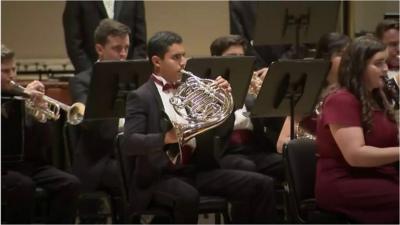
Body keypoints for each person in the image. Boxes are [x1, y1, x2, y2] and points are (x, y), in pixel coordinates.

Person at [123, 31, 277, 223]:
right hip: (160, 176)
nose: (183, 62)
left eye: (184, 55)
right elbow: (129, 142)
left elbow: (220, 132)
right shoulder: (141, 97)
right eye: (176, 57)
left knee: (262, 184)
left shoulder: (193, 88)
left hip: (197, 169)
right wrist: (166, 138)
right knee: (187, 196)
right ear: (157, 61)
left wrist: (225, 103)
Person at [315, 36, 399, 223]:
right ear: (359, 67)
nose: (386, 69)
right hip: (345, 182)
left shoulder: (376, 97)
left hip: (379, 175)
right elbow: (356, 155)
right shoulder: (341, 99)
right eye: (378, 63)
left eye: (385, 62)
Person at [1, 44, 80, 224]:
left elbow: (44, 145)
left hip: (28, 165)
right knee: (23, 186)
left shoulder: (22, 97)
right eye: (5, 71)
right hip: (3, 167)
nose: (12, 75)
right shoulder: (13, 99)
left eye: (14, 69)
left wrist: (40, 113)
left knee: (70, 183)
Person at [68, 18, 128, 223]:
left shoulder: (134, 78)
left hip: (127, 154)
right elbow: (95, 126)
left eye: (126, 48)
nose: (123, 54)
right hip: (98, 160)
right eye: (117, 48)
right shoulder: (82, 82)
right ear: (99, 49)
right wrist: (127, 124)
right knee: (133, 177)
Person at [210, 34, 284, 182]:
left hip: (253, 148)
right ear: (216, 58)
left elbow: (273, 123)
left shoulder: (250, 86)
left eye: (241, 56)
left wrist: (271, 89)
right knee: (247, 167)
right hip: (225, 151)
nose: (239, 61)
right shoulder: (208, 88)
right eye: (232, 56)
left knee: (287, 162)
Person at [276, 32, 351, 153]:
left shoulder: (356, 89)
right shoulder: (309, 90)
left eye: (350, 55)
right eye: (341, 54)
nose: (348, 60)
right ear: (326, 57)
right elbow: (281, 143)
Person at [63, 0, 147, 73]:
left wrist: (132, 72)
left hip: (129, 79)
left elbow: (140, 43)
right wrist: (91, 75)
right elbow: (74, 43)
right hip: (90, 78)